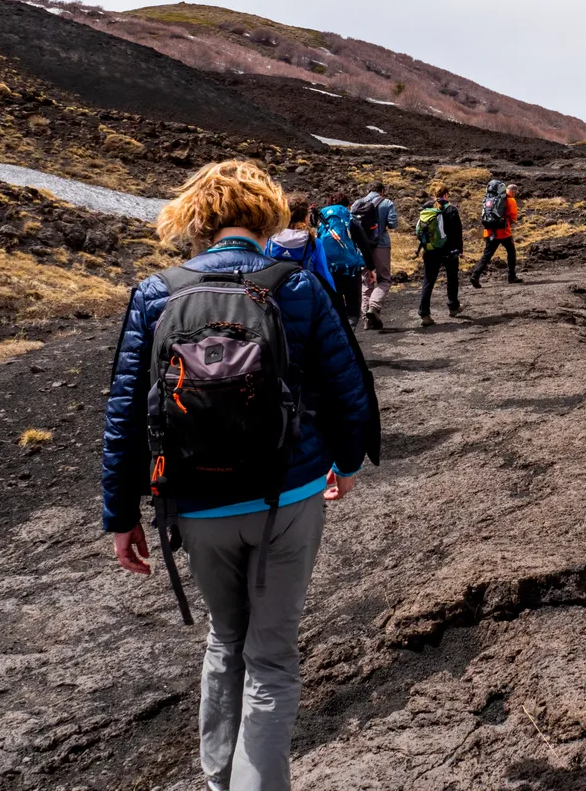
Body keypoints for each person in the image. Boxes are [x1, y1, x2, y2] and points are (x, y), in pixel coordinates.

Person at [102, 159, 379, 791]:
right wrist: (345, 462)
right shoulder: (296, 285)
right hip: (290, 490)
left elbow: (124, 412)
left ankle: (218, 782)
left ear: (196, 217)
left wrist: (120, 515)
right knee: (272, 659)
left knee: (226, 639)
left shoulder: (156, 293)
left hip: (197, 502)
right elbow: (346, 387)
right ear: (267, 214)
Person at [350, 182, 399, 331]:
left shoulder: (357, 203)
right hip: (381, 244)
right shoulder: (387, 203)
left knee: (366, 281)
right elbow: (393, 224)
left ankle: (367, 320)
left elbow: (351, 223)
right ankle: (374, 307)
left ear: (368, 190)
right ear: (382, 191)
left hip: (362, 247)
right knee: (384, 279)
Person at [316, 194, 368, 328]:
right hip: (351, 269)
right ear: (347, 205)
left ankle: (340, 331)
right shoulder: (348, 218)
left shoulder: (322, 219)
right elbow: (363, 242)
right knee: (353, 307)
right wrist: (371, 266)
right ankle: (350, 328)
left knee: (335, 304)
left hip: (329, 269)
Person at [265, 193, 335, 291]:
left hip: (274, 293)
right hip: (305, 293)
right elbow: (324, 274)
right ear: (306, 217)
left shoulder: (270, 240)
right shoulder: (313, 242)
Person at [416, 184, 462, 327]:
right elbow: (457, 232)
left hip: (430, 250)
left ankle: (424, 313)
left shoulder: (427, 209)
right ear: (446, 194)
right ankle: (453, 306)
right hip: (448, 251)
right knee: (452, 278)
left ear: (434, 195)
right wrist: (459, 250)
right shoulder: (451, 209)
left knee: (428, 280)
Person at [470, 181, 520, 287]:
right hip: (504, 232)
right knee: (511, 253)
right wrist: (507, 223)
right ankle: (511, 276)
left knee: (486, 255)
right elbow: (514, 216)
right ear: (513, 192)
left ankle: (475, 276)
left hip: (489, 232)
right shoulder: (510, 200)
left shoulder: (490, 198)